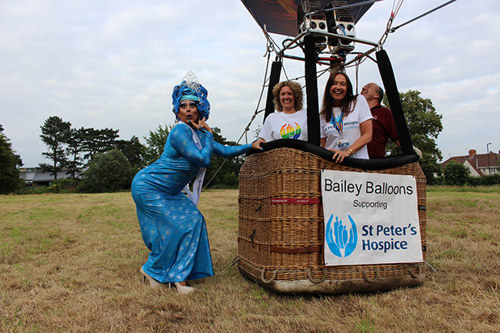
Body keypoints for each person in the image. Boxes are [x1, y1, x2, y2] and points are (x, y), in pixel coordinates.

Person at [131, 73, 262, 294]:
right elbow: (203, 159)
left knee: (193, 221)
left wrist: (252, 146)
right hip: (150, 187)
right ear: (177, 110)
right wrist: (208, 135)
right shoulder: (180, 131)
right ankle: (160, 272)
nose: (189, 109)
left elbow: (225, 151)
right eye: (183, 106)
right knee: (176, 227)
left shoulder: (198, 134)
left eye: (193, 105)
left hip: (171, 191)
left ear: (201, 109)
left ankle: (170, 274)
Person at [319, 72, 373, 163]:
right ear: (328, 88)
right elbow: (323, 146)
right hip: (333, 167)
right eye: (334, 83)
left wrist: (347, 152)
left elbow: (368, 135)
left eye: (342, 84)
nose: (338, 87)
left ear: (348, 88)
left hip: (358, 164)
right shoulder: (323, 115)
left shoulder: (358, 101)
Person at [361, 82, 399, 159]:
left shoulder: (384, 113)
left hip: (375, 162)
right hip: (353, 159)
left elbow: (397, 136)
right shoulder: (355, 112)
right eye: (363, 88)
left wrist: (410, 151)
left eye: (368, 87)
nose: (363, 89)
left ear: (376, 95)